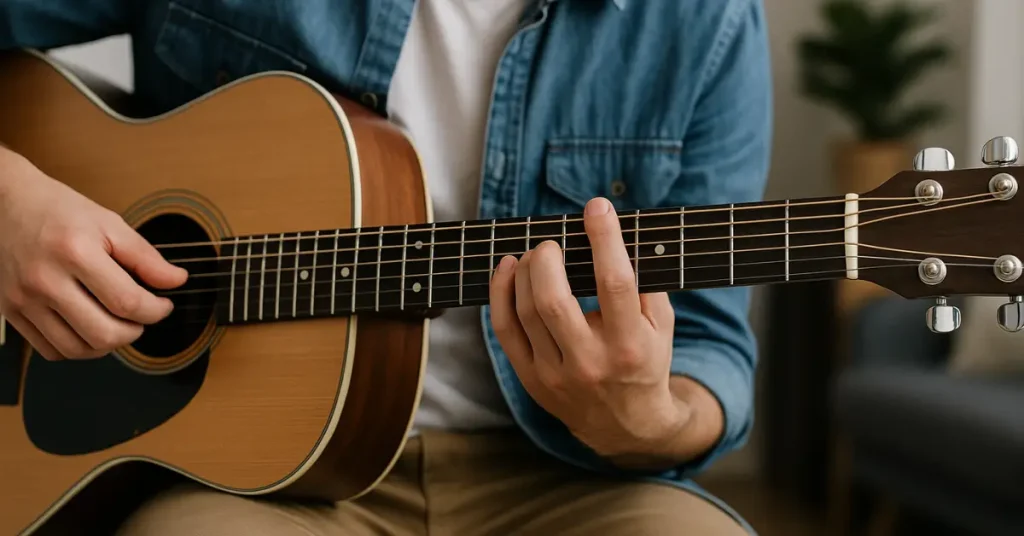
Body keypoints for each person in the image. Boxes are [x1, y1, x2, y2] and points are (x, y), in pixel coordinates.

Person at [0, 0, 772, 534]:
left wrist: (650, 419)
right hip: (254, 486)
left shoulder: (703, 20)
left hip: (566, 481)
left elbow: (710, 345)